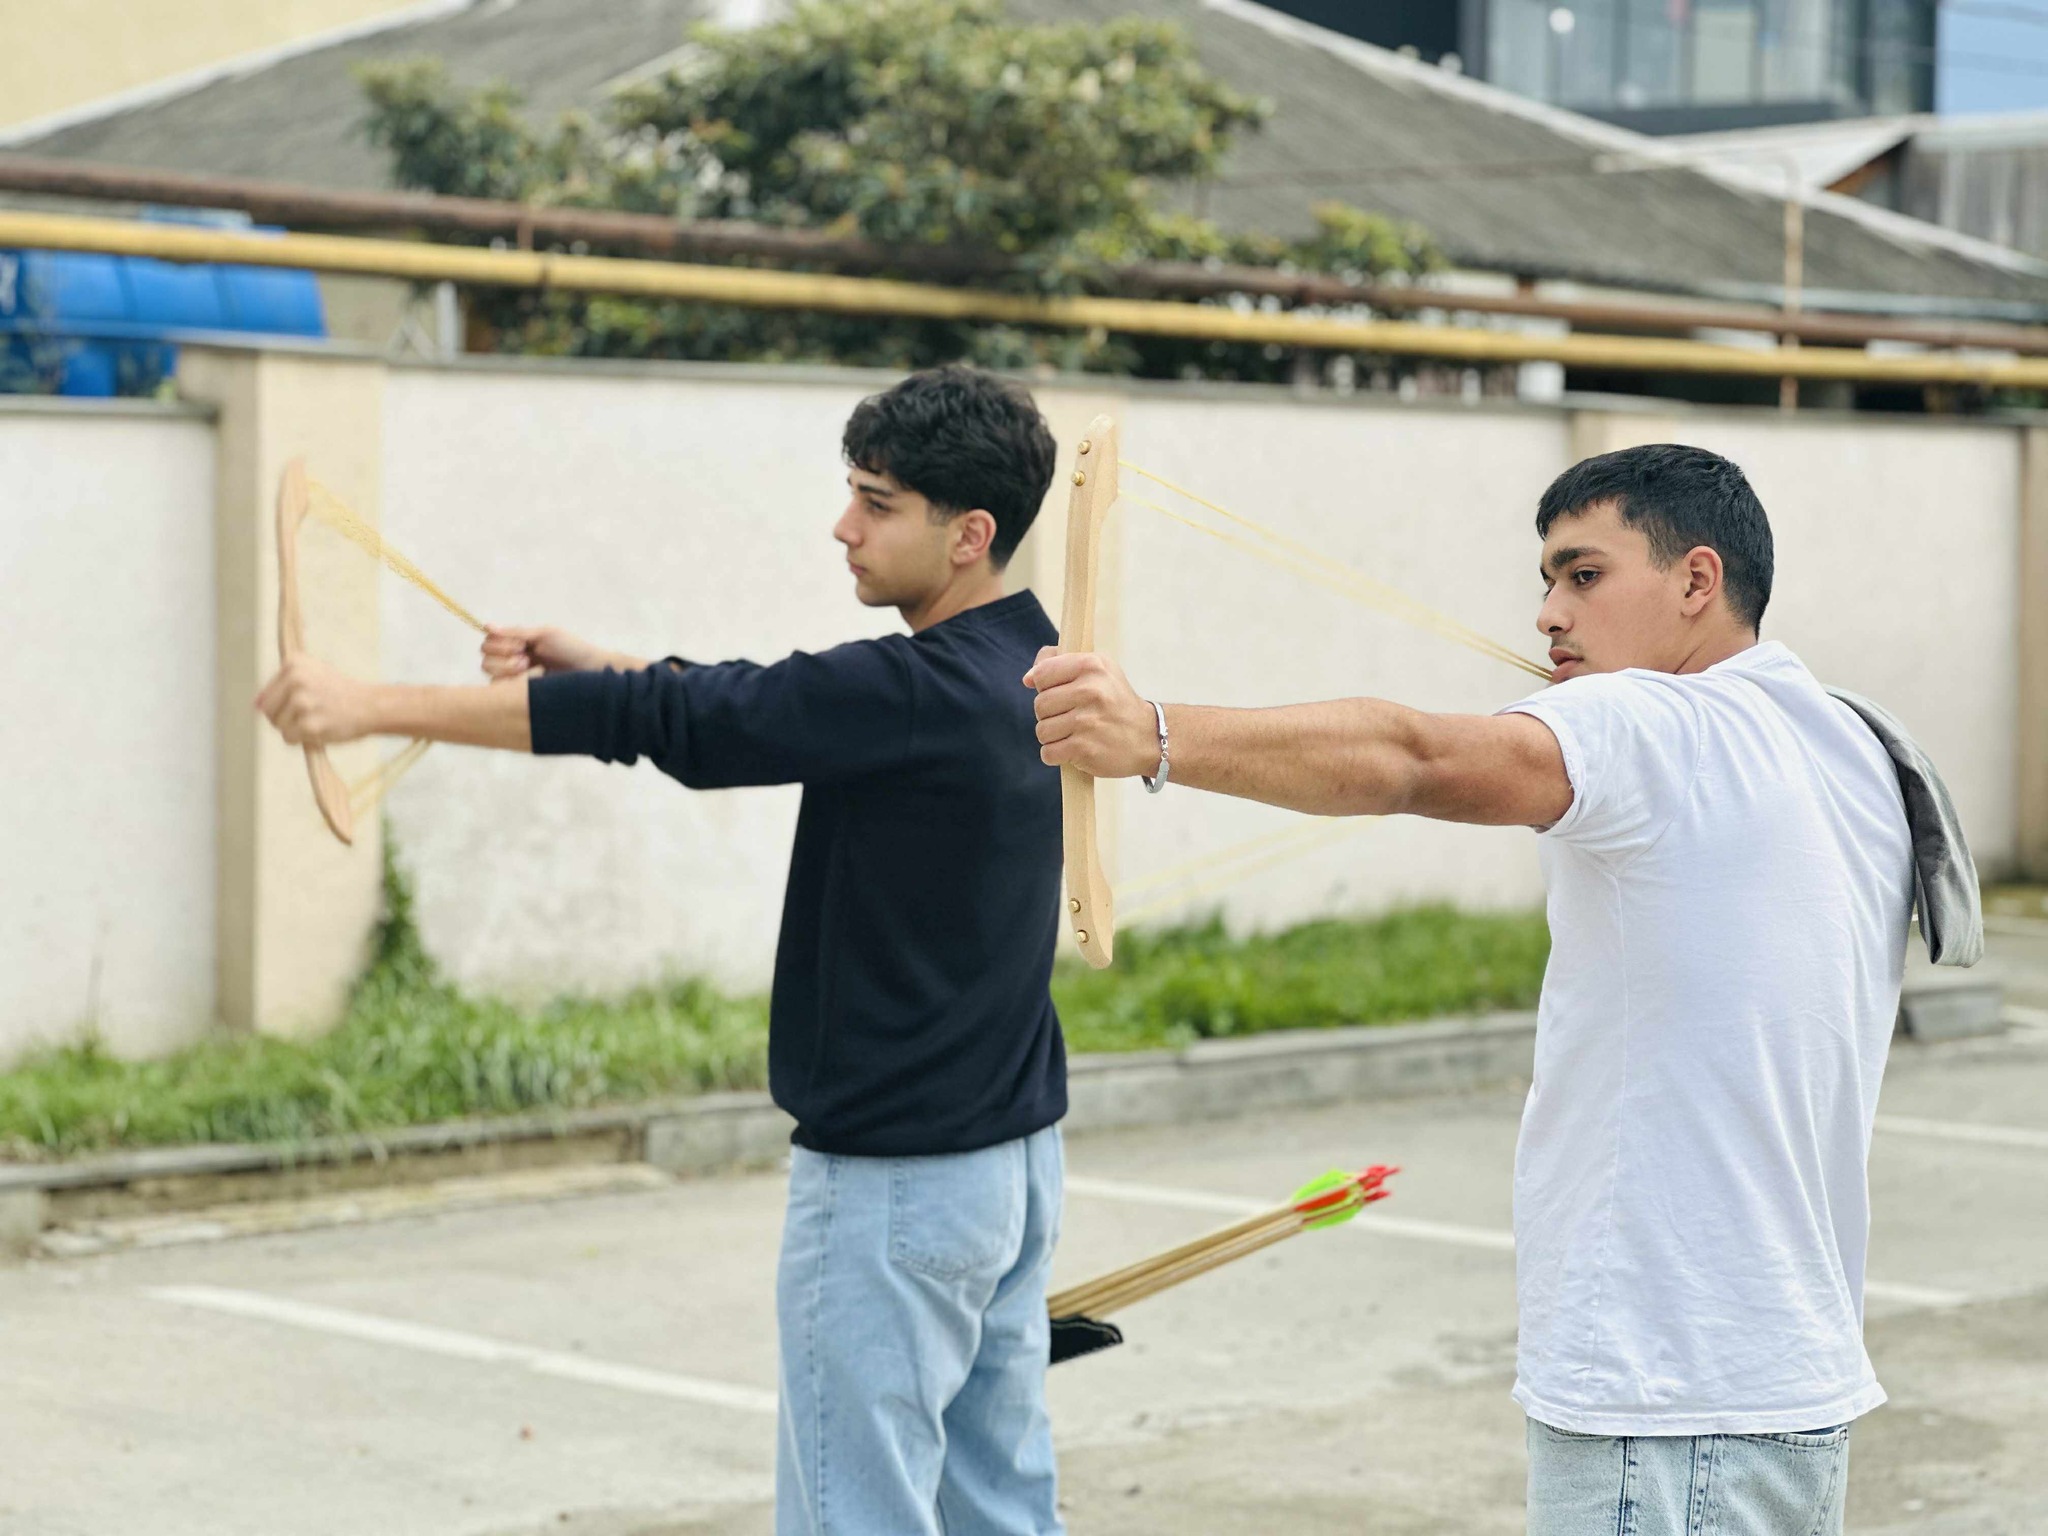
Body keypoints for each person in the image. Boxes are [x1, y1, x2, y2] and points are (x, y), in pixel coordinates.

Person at [1027, 442, 1968, 1536]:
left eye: (1582, 575)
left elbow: (1414, 758)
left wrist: (1153, 735)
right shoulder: (1849, 739)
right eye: (1544, 582)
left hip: (1657, 1395)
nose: (1546, 616)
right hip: (1794, 1386)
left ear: (1696, 583)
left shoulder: (1652, 724)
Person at [259, 365, 1069, 1536]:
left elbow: (694, 726)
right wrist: (604, 665)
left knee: (860, 1517)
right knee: (999, 1507)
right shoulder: (1029, 666)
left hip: (897, 1187)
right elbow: (745, 703)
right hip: (1005, 1165)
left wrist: (366, 707)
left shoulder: (912, 690)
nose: (842, 527)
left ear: (968, 535)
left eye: (877, 504)